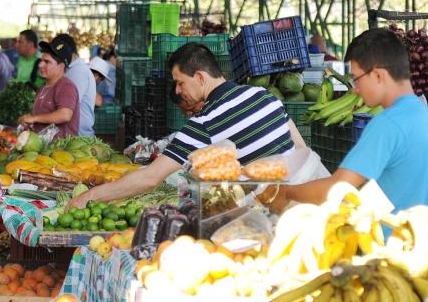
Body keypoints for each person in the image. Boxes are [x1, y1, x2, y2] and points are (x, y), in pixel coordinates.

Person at [70, 43, 294, 208]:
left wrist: (88, 197)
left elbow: (149, 178)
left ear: (200, 77)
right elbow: (301, 149)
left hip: (260, 215)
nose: (177, 91)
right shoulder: (264, 95)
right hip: (296, 201)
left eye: (180, 83)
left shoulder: (205, 121)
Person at [266, 29, 428, 211]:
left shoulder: (388, 124)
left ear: (378, 75)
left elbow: (337, 190)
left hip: (391, 237)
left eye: (356, 79)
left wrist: (286, 193)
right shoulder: (427, 116)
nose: (355, 89)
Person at [18, 38, 80, 139]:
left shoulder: (66, 86)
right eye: (41, 60)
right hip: (43, 149)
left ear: (61, 66)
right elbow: (40, 116)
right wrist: (26, 119)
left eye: (47, 62)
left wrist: (34, 118)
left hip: (60, 151)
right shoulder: (43, 87)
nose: (40, 65)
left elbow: (64, 115)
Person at [53, 33, 96, 136]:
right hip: (71, 136)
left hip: (79, 138)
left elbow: (66, 106)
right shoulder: (70, 70)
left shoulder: (78, 72)